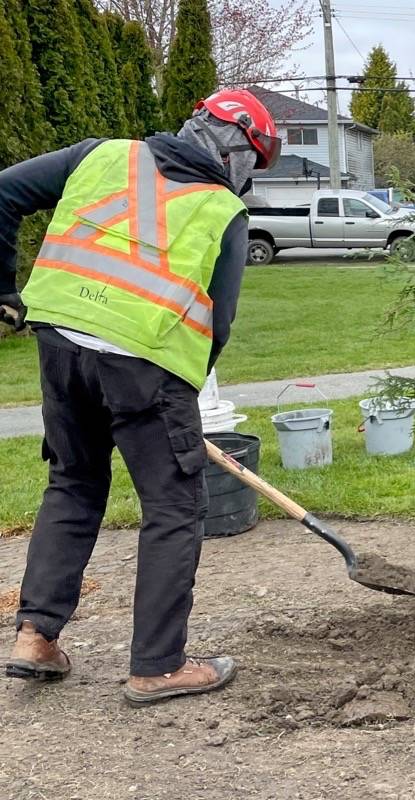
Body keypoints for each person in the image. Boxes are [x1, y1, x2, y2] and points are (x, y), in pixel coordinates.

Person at [1, 89, 280, 706]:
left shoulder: (101, 156)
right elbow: (218, 321)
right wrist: (179, 406)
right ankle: (157, 666)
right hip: (143, 370)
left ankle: (35, 637)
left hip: (59, 347)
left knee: (73, 483)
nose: (249, 178)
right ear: (237, 148)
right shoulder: (219, 210)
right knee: (175, 506)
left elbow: (3, 192)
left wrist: (5, 291)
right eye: (254, 163)